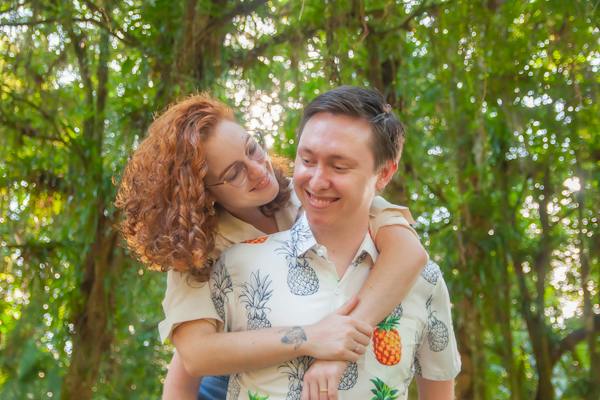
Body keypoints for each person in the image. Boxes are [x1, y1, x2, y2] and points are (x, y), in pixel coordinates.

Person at [115, 92, 427, 400]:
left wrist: (340, 341)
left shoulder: (313, 194)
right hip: (232, 380)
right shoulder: (200, 249)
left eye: (252, 149)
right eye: (234, 173)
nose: (258, 170)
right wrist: (310, 338)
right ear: (202, 193)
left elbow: (408, 251)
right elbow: (194, 356)